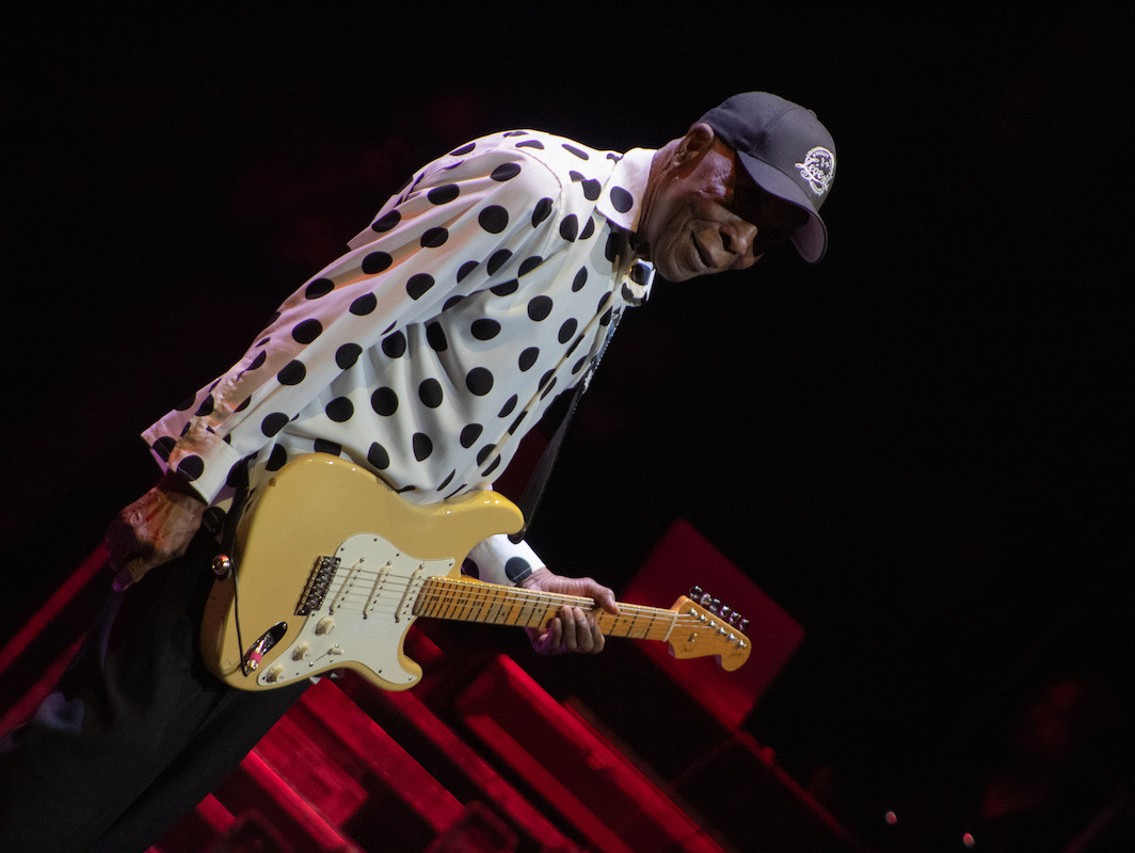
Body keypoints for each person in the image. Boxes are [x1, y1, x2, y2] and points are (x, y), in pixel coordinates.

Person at [0, 91, 836, 851]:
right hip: (248, 520)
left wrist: (523, 578)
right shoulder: (535, 187)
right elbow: (336, 317)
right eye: (744, 200)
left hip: (318, 588)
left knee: (119, 825)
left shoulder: (624, 275)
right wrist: (192, 472)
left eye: (767, 236)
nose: (741, 241)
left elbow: (452, 460)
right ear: (694, 148)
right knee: (54, 795)